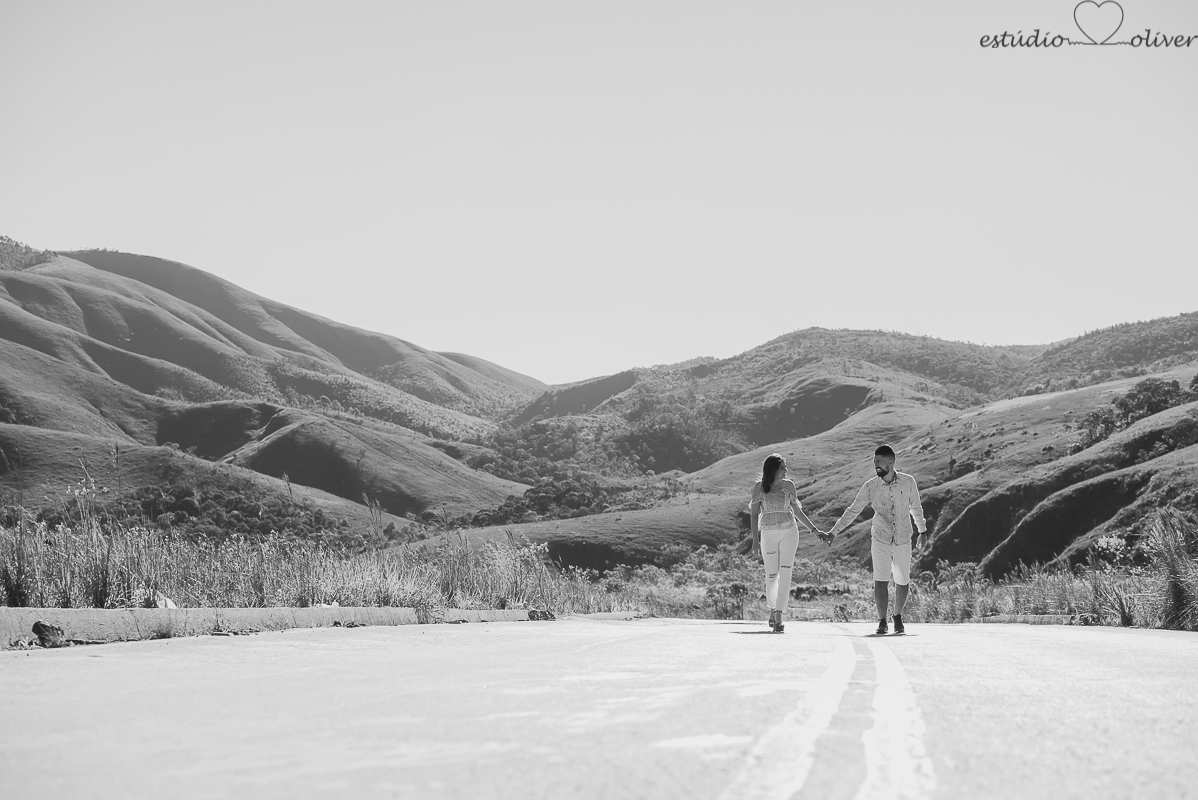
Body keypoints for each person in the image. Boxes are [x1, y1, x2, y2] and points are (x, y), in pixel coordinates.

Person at [825, 445, 927, 635]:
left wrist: (922, 531)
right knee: (880, 580)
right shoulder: (870, 486)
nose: (876, 466)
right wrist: (834, 532)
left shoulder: (908, 482)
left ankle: (897, 616)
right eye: (874, 462)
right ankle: (882, 620)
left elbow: (916, 508)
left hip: (903, 538)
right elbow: (853, 510)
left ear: (891, 462)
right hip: (880, 538)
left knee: (902, 580)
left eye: (879, 462)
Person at [749, 453, 827, 633]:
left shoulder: (789, 485)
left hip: (789, 532)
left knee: (785, 572)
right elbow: (753, 515)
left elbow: (797, 512)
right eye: (782, 468)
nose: (786, 470)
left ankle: (778, 616)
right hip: (768, 534)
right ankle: (773, 608)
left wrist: (815, 530)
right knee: (771, 575)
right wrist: (755, 540)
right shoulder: (759, 488)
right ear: (773, 470)